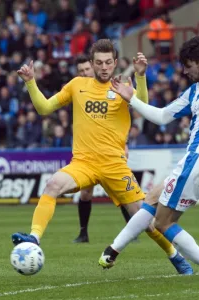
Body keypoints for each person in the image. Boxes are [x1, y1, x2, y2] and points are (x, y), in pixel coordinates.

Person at [11, 39, 193, 275]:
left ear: (115, 63)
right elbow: (45, 108)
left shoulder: (122, 86)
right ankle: (34, 238)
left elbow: (144, 108)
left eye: (108, 62)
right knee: (53, 184)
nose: (104, 67)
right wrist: (31, 82)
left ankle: (175, 256)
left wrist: (140, 77)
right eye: (99, 63)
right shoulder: (77, 85)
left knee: (147, 221)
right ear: (92, 64)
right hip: (83, 164)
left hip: (115, 166)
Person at [99, 36, 199, 280]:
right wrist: (130, 97)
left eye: (188, 66)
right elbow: (163, 116)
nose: (185, 72)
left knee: (162, 223)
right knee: (154, 196)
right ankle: (112, 251)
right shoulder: (194, 92)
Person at [73, 54, 133, 243]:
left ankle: (131, 231)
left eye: (86, 69)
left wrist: (124, 143)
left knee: (121, 191)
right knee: (86, 193)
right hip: (88, 151)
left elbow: (120, 117)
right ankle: (83, 233)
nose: (84, 73)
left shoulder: (112, 86)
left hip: (112, 150)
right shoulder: (78, 89)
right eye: (80, 71)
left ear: (93, 67)